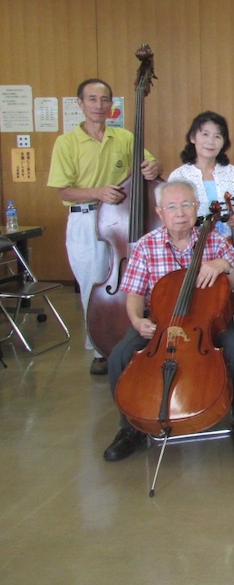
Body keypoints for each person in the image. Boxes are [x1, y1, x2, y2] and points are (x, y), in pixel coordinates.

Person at [102, 180, 234, 461]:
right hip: (160, 324)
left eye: (186, 204)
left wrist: (224, 265)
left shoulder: (215, 242)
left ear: (197, 208)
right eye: (172, 206)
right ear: (160, 212)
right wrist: (137, 320)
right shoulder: (146, 246)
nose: (180, 212)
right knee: (119, 356)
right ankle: (130, 428)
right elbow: (134, 294)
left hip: (208, 323)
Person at [48, 77, 162, 375]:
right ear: (80, 103)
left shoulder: (124, 138)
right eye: (92, 99)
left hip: (118, 222)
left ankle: (131, 337)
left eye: (105, 100)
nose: (99, 106)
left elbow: (150, 167)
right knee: (94, 285)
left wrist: (153, 167)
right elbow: (63, 190)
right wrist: (97, 193)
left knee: (131, 283)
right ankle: (99, 347)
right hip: (85, 219)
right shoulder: (66, 142)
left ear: (112, 105)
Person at [168, 111, 234, 340]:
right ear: (193, 137)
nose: (211, 141)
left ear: (223, 142)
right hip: (196, 244)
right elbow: (175, 214)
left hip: (230, 241)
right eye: (205, 134)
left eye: (217, 136)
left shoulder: (232, 172)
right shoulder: (179, 175)